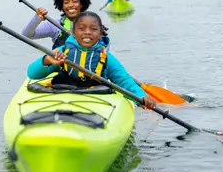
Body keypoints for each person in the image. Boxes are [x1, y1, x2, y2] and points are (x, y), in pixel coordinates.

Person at [27, 11, 156, 109]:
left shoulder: (106, 57)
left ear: (100, 34)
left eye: (93, 29)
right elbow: (32, 74)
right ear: (73, 32)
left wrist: (141, 96)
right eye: (81, 28)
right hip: (62, 93)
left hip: (96, 97)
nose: (87, 32)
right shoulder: (62, 52)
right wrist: (47, 60)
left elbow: (123, 80)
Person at [21, 0, 110, 50]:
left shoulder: (93, 24)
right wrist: (37, 18)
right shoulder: (54, 24)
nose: (71, 5)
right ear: (62, 6)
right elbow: (26, 35)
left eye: (75, 1)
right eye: (66, 2)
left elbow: (105, 47)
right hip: (61, 67)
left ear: (81, 4)